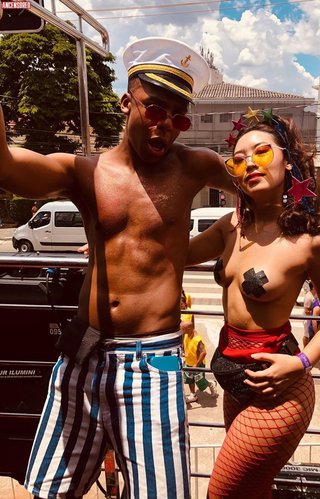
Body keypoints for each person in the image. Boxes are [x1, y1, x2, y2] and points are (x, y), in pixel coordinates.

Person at [0, 37, 234, 499]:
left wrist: (231, 238)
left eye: (179, 117)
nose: (165, 125)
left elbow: (266, 194)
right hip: (84, 355)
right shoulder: (85, 172)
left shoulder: (194, 166)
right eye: (155, 108)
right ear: (127, 102)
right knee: (48, 492)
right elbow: (6, 167)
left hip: (155, 361)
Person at [186, 110, 320, 498]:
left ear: (287, 161)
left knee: (221, 493)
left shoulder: (312, 241)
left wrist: (301, 362)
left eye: (261, 152)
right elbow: (176, 254)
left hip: (281, 391)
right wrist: (116, 242)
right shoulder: (230, 227)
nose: (249, 164)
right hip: (232, 380)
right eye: (238, 160)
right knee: (253, 490)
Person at [181, 320, 218, 403]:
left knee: (200, 381)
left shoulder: (197, 339)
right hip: (188, 361)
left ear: (189, 328)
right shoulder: (187, 334)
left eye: (183, 329)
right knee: (189, 379)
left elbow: (203, 353)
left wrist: (196, 364)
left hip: (197, 363)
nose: (181, 331)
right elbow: (186, 345)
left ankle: (211, 384)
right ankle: (193, 395)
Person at [302, 280, 317, 348]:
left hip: (310, 318)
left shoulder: (313, 295)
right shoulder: (308, 297)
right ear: (313, 287)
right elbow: (306, 310)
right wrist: (315, 311)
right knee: (306, 335)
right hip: (307, 320)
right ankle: (305, 348)